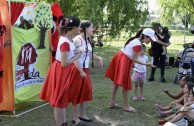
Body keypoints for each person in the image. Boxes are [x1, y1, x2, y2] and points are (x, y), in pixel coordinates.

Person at [39, 17, 83, 126]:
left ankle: (64, 123)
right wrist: (77, 56)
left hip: (64, 71)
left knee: (62, 100)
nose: (80, 29)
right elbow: (64, 63)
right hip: (61, 71)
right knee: (58, 102)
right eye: (79, 27)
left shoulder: (68, 39)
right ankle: (60, 124)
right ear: (74, 28)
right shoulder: (65, 42)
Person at [105, 28, 156, 112]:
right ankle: (126, 106)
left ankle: (112, 102)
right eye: (150, 39)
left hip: (120, 57)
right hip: (124, 60)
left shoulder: (135, 39)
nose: (150, 41)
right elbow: (135, 59)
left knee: (116, 82)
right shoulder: (138, 45)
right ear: (146, 37)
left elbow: (132, 57)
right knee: (125, 83)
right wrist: (146, 64)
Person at [72, 20, 103, 123]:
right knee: (76, 93)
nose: (93, 29)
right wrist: (80, 71)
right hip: (77, 69)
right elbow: (74, 57)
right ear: (86, 29)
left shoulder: (88, 40)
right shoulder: (77, 39)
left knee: (86, 91)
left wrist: (99, 58)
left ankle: (82, 115)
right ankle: (75, 118)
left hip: (85, 69)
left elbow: (89, 54)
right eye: (91, 27)